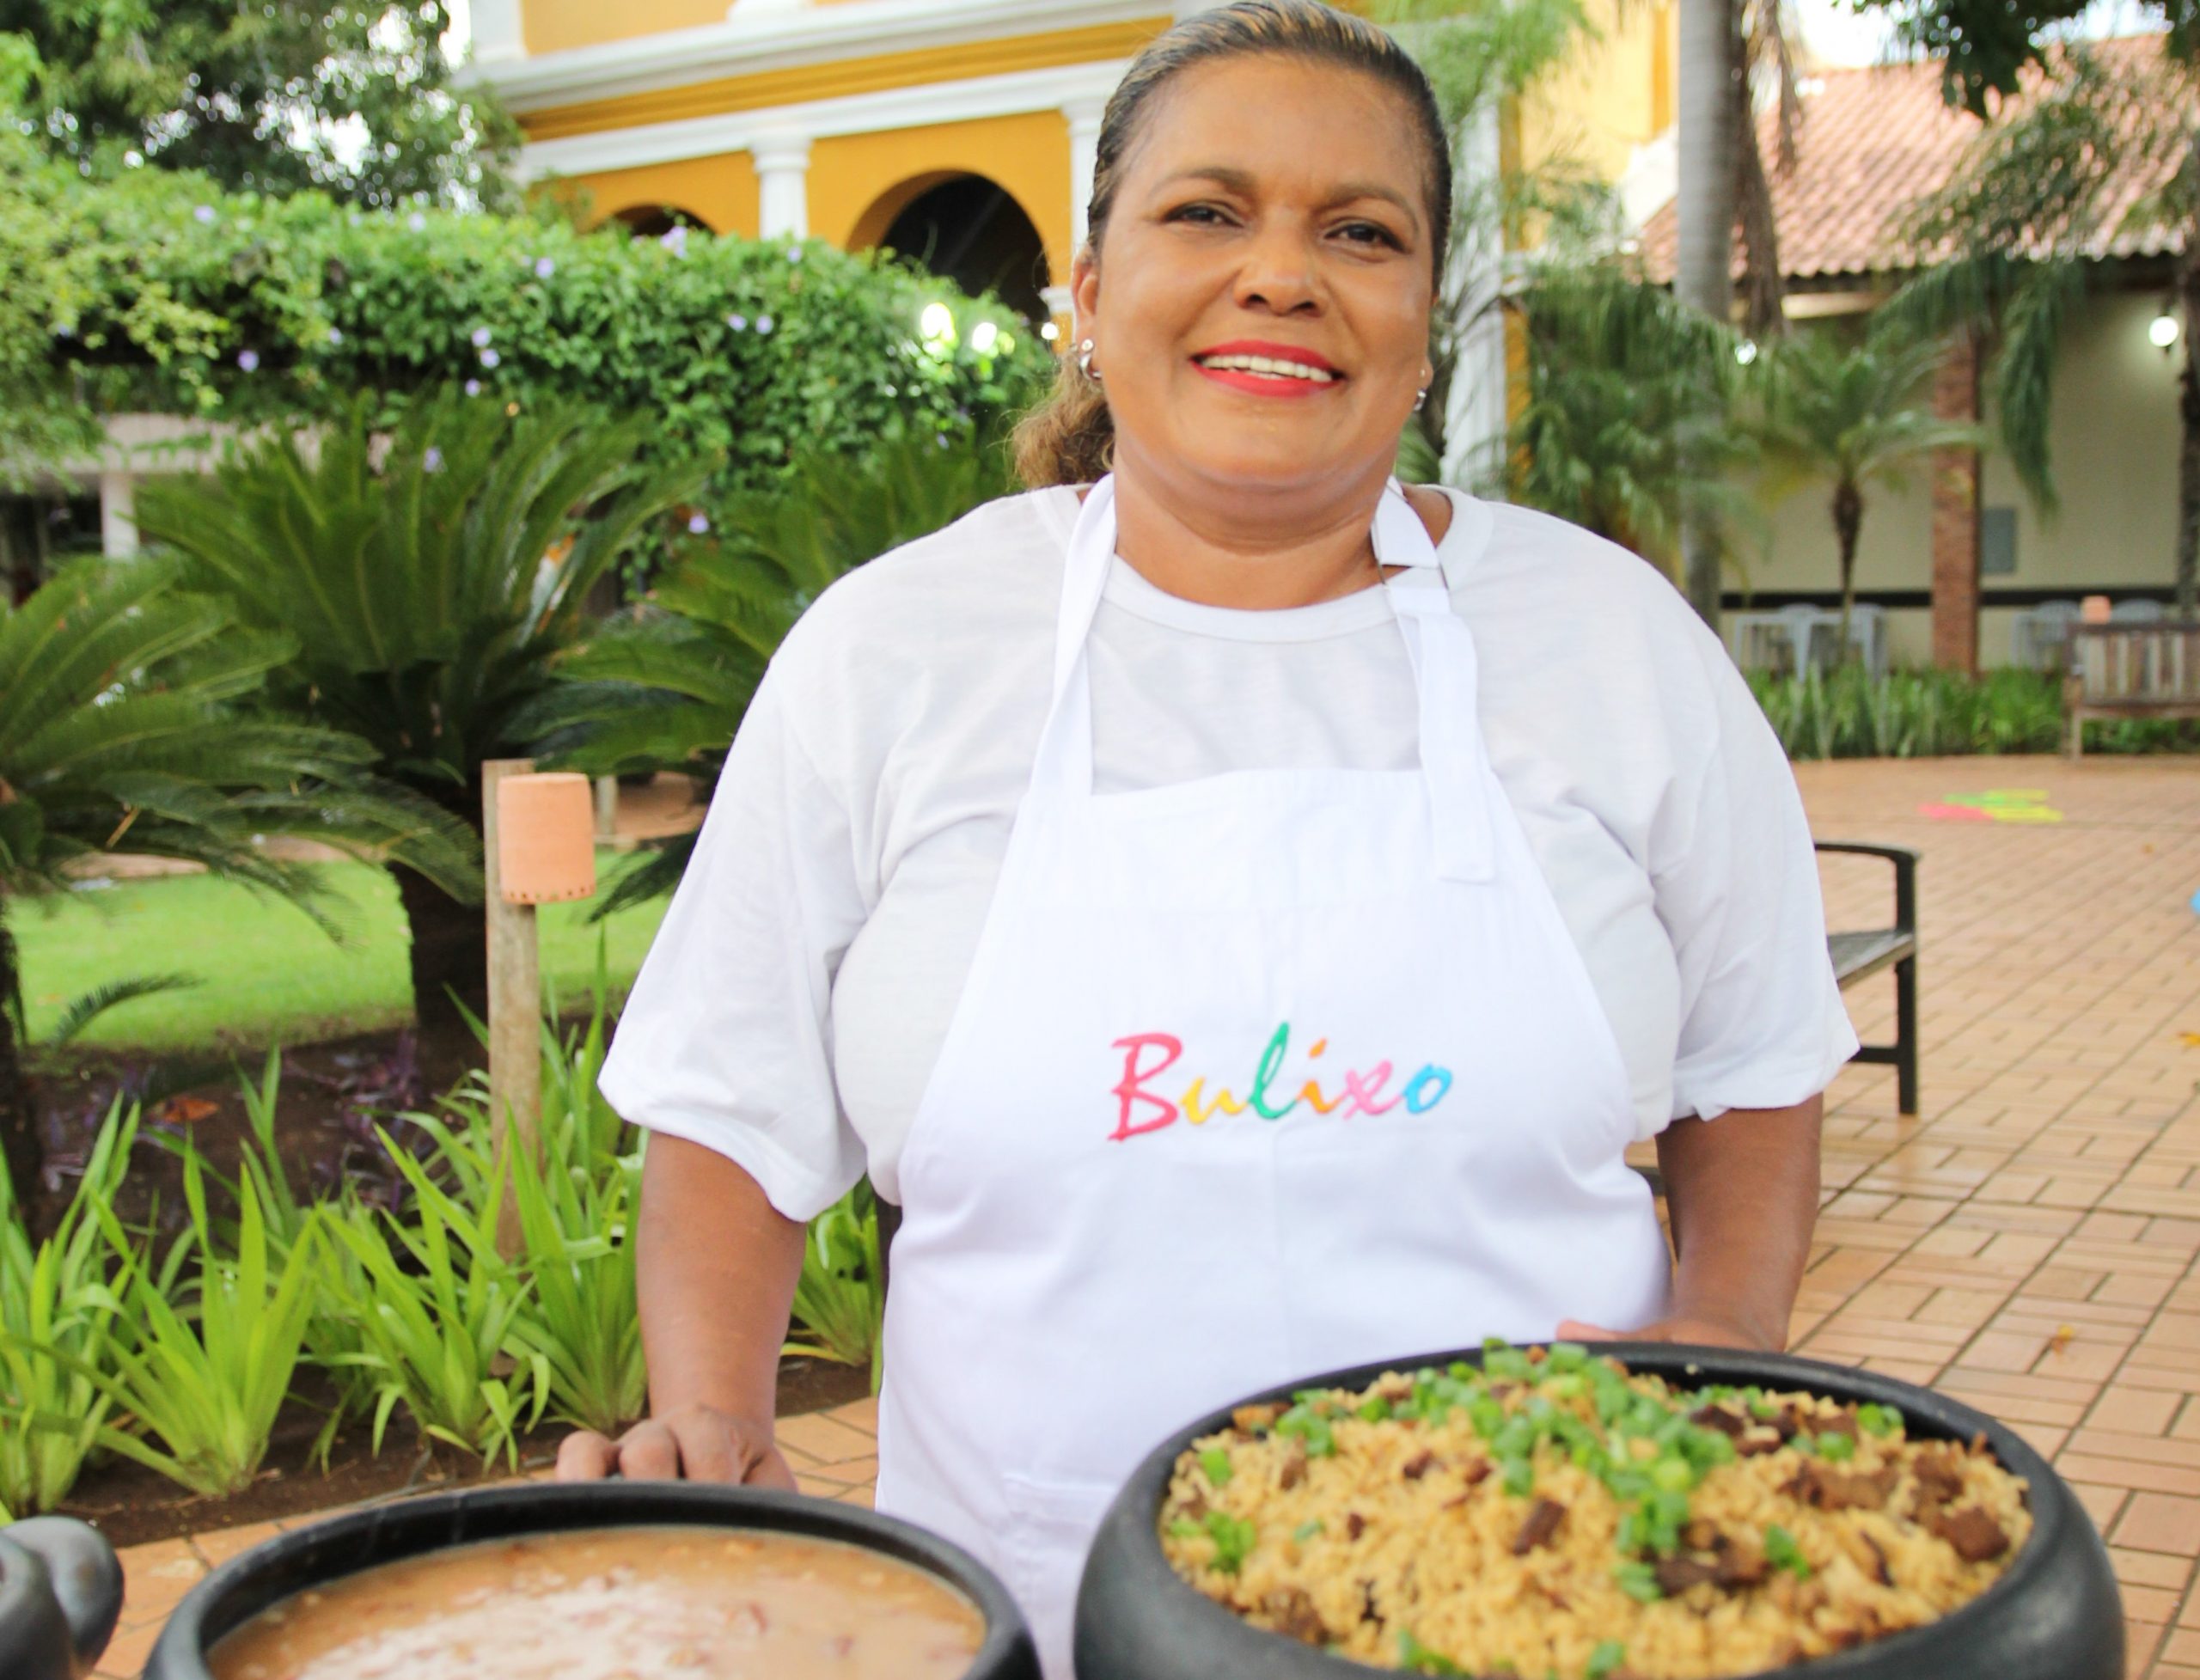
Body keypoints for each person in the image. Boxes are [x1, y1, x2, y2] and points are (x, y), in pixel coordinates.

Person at [557, 3, 1858, 1672]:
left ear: (1420, 320)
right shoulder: (898, 650)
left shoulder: (1608, 643)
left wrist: (1719, 1340)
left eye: (1360, 232)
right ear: (1087, 297)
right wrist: (715, 1419)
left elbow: (1751, 1058)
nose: (1280, 274)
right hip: (1029, 1591)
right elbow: (730, 1112)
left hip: (1535, 1593)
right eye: (1205, 212)